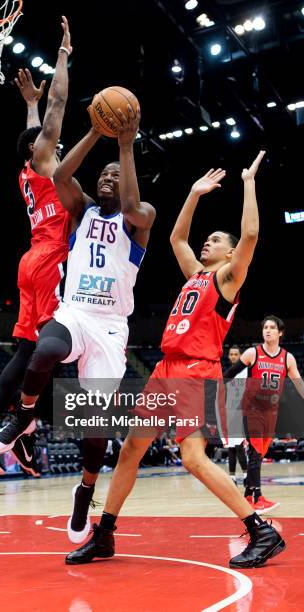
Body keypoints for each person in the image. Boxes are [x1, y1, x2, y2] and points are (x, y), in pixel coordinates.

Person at [66, 151, 288, 570]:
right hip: (166, 371)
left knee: (193, 458)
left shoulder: (227, 277)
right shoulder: (197, 275)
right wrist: (192, 193)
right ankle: (105, 535)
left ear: (229, 253)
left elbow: (252, 235)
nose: (209, 241)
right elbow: (176, 240)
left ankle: (261, 530)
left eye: (218, 240)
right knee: (131, 448)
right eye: (211, 238)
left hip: (197, 373)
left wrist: (248, 183)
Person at [0, 104, 156, 543]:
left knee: (94, 430)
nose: (106, 178)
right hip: (75, 312)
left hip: (111, 328)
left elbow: (135, 203)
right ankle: (23, 417)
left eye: (114, 176)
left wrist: (124, 145)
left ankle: (85, 492)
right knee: (43, 349)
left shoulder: (140, 220)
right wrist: (96, 132)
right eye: (102, 174)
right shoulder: (80, 211)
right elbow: (61, 176)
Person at [0, 16, 73, 476]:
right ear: (42, 150)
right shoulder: (45, 162)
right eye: (52, 143)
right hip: (49, 261)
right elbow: (61, 101)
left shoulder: (28, 170)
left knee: (28, 352)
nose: (58, 145)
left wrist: (29, 104)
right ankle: (18, 429)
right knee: (52, 351)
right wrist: (64, 53)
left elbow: (35, 135)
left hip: (30, 261)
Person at [224, 315, 304, 514]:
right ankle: (258, 498)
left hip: (271, 413)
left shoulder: (287, 358)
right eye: (265, 327)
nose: (267, 330)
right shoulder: (253, 353)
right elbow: (229, 374)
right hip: (251, 411)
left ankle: (248, 495)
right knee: (255, 453)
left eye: (271, 327)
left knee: (259, 455)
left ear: (280, 332)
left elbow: (299, 384)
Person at [225, 346, 248, 485]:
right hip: (229, 411)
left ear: (240, 356)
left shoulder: (245, 371)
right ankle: (232, 477)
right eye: (231, 354)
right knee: (231, 447)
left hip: (241, 411)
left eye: (236, 354)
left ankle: (246, 475)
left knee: (239, 446)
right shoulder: (227, 373)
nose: (233, 356)